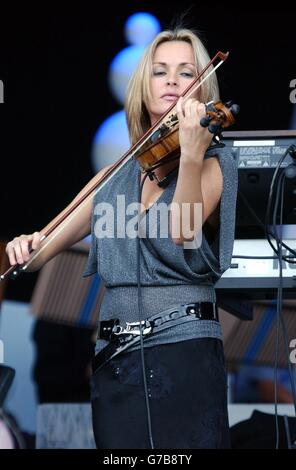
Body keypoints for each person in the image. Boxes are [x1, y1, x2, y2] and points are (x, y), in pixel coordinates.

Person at [5, 27, 238, 449]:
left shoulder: (216, 162)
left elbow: (182, 232)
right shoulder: (115, 176)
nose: (171, 80)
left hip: (184, 353)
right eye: (159, 71)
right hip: (116, 360)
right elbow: (40, 250)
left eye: (186, 72)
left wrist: (189, 152)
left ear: (202, 85)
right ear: (142, 87)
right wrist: (25, 244)